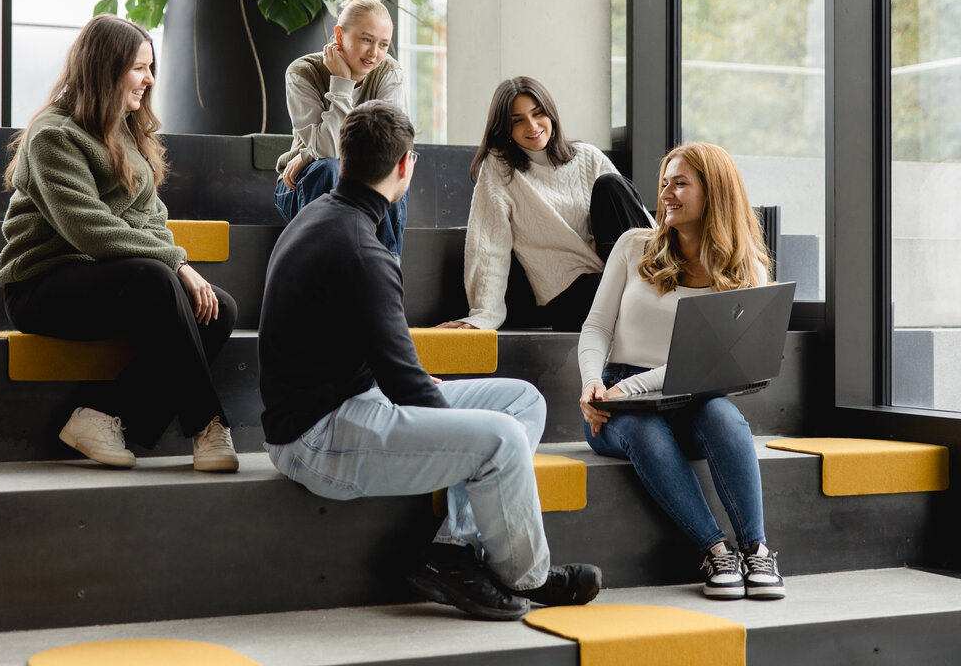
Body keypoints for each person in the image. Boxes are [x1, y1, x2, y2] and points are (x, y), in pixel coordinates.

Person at [259, 99, 601, 621]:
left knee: (522, 402)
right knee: (502, 438)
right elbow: (406, 385)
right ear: (406, 164)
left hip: (352, 399)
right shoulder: (362, 250)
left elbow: (362, 352)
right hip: (316, 437)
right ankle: (527, 576)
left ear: (346, 158)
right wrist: (454, 425)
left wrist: (424, 394)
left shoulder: (321, 217)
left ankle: (453, 550)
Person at [0, 14, 239, 472]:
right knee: (157, 278)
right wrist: (179, 264)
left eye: (151, 68)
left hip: (108, 280)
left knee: (218, 309)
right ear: (105, 69)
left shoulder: (125, 131)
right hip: (42, 285)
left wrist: (174, 264)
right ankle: (207, 424)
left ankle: (102, 416)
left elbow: (152, 220)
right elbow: (89, 229)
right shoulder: (53, 135)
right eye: (139, 68)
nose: (150, 80)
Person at [577, 141, 784, 600]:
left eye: (680, 184)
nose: (666, 194)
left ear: (714, 192)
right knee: (645, 429)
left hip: (693, 394)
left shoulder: (747, 268)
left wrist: (636, 386)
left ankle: (757, 550)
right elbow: (596, 327)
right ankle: (716, 550)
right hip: (616, 402)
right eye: (664, 183)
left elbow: (714, 365)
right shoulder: (634, 246)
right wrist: (593, 381)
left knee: (725, 418)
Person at [438, 76, 652, 332]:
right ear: (505, 128)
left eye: (538, 113)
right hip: (571, 294)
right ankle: (649, 301)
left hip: (616, 277)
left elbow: (639, 222)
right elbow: (488, 243)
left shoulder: (587, 157)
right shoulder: (500, 168)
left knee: (612, 185)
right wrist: (483, 315)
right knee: (612, 294)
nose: (532, 126)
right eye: (517, 120)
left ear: (550, 114)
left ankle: (659, 282)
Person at [274, 0, 409, 257]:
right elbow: (328, 150)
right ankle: (322, 266)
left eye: (383, 44)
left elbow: (390, 147)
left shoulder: (389, 73)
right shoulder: (303, 72)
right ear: (339, 35)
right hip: (301, 186)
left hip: (364, 183)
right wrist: (342, 84)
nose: (374, 53)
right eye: (366, 40)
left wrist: (307, 154)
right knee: (328, 168)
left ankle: (386, 267)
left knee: (391, 171)